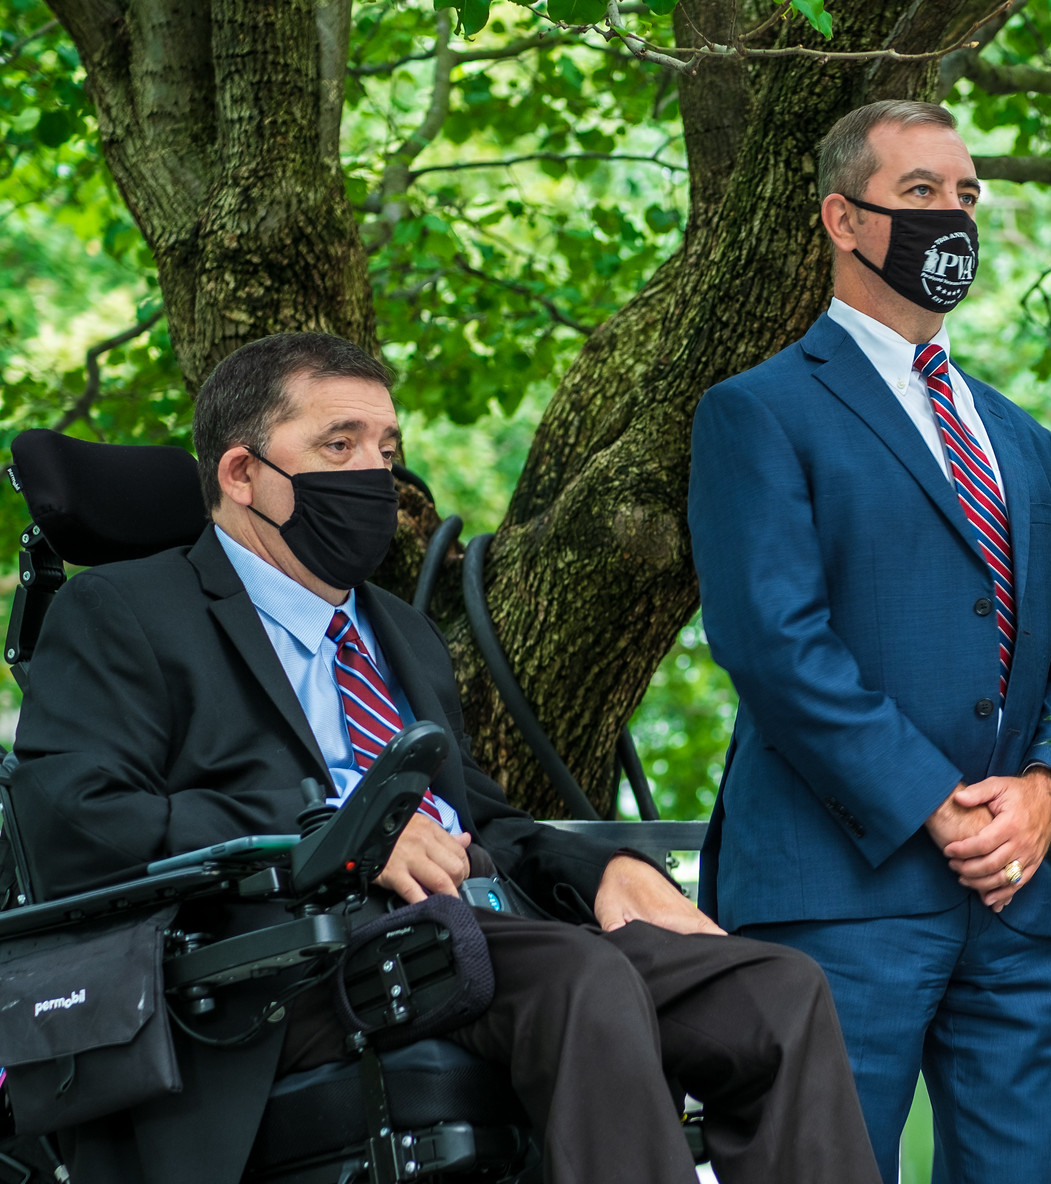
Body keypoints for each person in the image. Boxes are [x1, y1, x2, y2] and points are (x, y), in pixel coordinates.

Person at [8, 331, 880, 1184]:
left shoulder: (401, 631)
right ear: (242, 474)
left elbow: (480, 817)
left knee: (775, 990)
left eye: (385, 448)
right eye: (337, 444)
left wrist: (606, 866)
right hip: (282, 969)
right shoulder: (125, 611)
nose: (373, 475)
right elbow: (78, 817)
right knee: (576, 976)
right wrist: (339, 835)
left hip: (470, 937)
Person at [688, 99, 1051, 1184]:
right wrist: (932, 800)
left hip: (1015, 898)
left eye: (965, 195)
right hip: (837, 897)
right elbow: (771, 641)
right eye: (919, 192)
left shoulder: (1023, 439)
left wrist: (1048, 790)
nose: (951, 215)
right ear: (842, 217)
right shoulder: (756, 411)